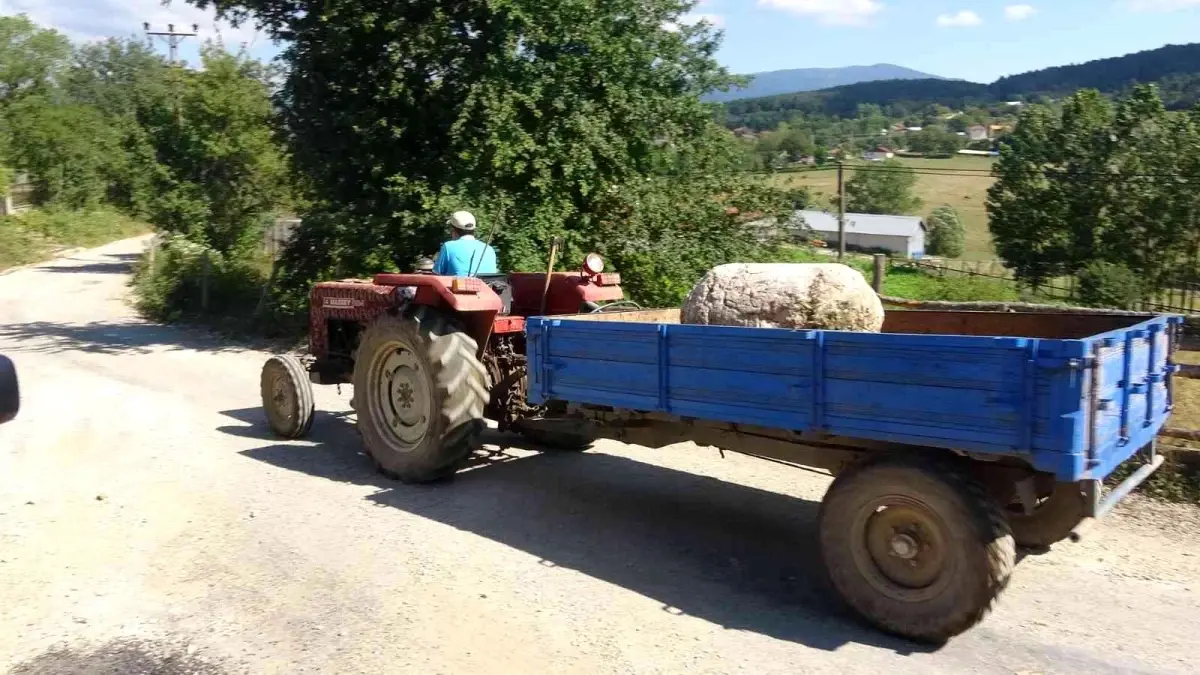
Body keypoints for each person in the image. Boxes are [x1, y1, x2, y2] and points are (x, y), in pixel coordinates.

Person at [432, 210, 498, 277]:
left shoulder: (448, 247)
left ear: (453, 230)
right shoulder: (489, 249)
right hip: (487, 286)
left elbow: (437, 274)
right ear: (474, 230)